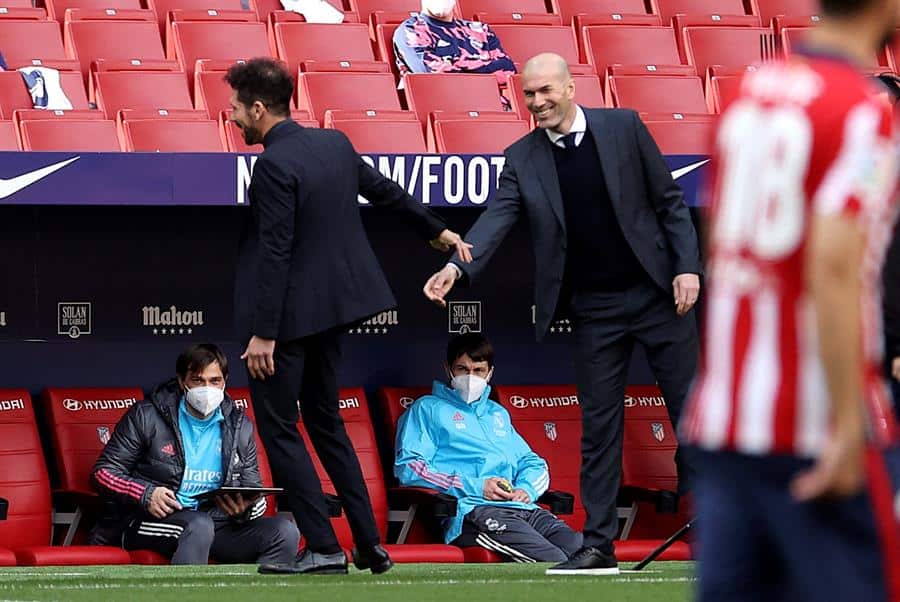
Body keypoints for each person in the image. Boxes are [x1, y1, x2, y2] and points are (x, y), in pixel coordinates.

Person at [423, 52, 702, 575]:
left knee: (695, 417)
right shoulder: (523, 156)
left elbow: (670, 203)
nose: (538, 102)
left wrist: (687, 268)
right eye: (529, 94)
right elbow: (495, 222)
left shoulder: (624, 128)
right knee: (599, 428)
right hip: (595, 307)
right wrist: (456, 270)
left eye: (547, 91)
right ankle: (598, 548)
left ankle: (735, 531)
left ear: (572, 87)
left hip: (658, 296)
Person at [681, 0, 900, 597]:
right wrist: (851, 429)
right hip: (810, 425)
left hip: (725, 420)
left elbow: (724, 243)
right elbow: (834, 267)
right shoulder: (862, 111)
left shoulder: (745, 100)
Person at [224, 57, 472, 575]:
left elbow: (276, 250)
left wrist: (264, 333)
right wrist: (437, 229)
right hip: (335, 312)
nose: (233, 118)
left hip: (287, 323)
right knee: (326, 424)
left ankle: (323, 547)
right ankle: (369, 544)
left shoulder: (272, 165)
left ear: (259, 107)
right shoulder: (333, 143)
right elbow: (385, 191)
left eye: (236, 109)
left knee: (280, 429)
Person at [89, 344, 299, 566]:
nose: (207, 388)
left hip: (215, 523)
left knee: (284, 532)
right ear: (182, 381)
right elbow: (102, 473)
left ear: (225, 381)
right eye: (198, 380)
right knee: (198, 526)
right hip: (149, 520)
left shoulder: (239, 425)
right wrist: (145, 494)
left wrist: (243, 510)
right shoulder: (146, 415)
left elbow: (252, 487)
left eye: (215, 381)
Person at [395, 333, 583, 562]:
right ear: (448, 369)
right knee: (553, 559)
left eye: (478, 370)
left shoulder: (497, 413)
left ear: (490, 373)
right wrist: (476, 486)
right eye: (462, 369)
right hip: (475, 511)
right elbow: (409, 468)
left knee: (585, 552)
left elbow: (533, 462)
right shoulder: (427, 409)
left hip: (524, 508)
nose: (470, 377)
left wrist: (526, 489)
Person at [393, 0, 516, 93]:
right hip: (446, 104)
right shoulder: (411, 30)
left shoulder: (481, 30)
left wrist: (454, 64)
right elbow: (432, 75)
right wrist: (482, 68)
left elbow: (507, 70)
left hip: (494, 106)